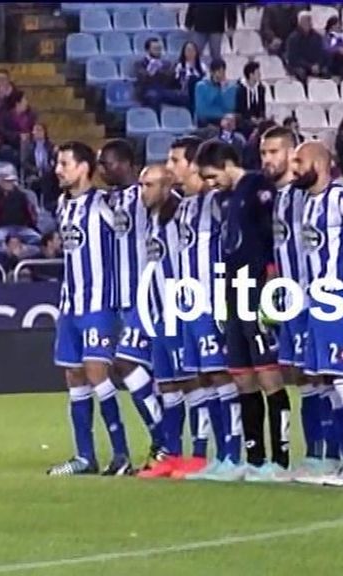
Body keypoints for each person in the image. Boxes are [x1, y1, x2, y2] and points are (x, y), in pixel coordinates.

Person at [194, 138, 293, 481]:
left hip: (258, 288)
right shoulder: (226, 198)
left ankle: (279, 460)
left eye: (211, 176)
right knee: (241, 375)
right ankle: (255, 456)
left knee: (268, 372)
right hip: (233, 290)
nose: (209, 184)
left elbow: (271, 236)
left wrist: (270, 283)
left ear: (226, 163)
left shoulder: (256, 187)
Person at [289, 140, 343, 486]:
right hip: (316, 303)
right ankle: (342, 461)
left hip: (341, 299)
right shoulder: (308, 203)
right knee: (327, 381)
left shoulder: (341, 197)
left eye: (300, 161)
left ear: (320, 164)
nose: (294, 168)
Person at [256, 126, 335, 481]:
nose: (267, 160)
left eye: (275, 152)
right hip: (289, 301)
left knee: (325, 376)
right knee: (302, 377)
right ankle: (316, 453)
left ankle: (333, 454)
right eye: (263, 154)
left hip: (314, 301)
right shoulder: (279, 197)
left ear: (293, 155)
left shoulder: (311, 194)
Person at [46, 141, 129, 477]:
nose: (58, 169)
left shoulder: (105, 204)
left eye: (64, 163)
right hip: (70, 304)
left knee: (97, 372)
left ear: (83, 168)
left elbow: (128, 241)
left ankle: (121, 453)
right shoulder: (63, 205)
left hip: (99, 303)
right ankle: (84, 456)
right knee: (74, 375)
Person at [98, 138, 171, 468]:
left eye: (108, 163)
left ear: (127, 164)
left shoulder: (146, 198)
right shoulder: (112, 200)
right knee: (143, 371)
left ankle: (163, 438)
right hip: (125, 300)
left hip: (147, 297)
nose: (104, 169)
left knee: (125, 363)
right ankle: (164, 441)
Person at [156, 136, 226, 479]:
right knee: (198, 379)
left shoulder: (216, 202)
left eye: (175, 160)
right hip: (187, 306)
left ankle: (229, 454)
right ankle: (200, 455)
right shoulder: (185, 207)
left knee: (221, 377)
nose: (170, 168)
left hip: (212, 303)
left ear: (195, 165)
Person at [134, 165, 191, 478]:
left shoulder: (181, 216)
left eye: (150, 185)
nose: (144, 191)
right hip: (157, 315)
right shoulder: (152, 219)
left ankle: (198, 454)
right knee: (166, 386)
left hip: (180, 311)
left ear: (168, 185)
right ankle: (172, 453)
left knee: (191, 384)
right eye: (142, 185)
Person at [134, 37, 189, 109]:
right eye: (155, 49)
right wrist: (151, 71)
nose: (158, 51)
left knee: (185, 97)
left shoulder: (166, 64)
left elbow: (171, 79)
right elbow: (142, 78)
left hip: (164, 90)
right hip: (148, 90)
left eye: (159, 48)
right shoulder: (140, 63)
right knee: (153, 96)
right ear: (148, 50)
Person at [21, 122, 59, 214]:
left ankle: (49, 207)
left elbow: (53, 162)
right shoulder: (28, 146)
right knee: (37, 181)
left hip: (48, 175)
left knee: (50, 180)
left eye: (39, 130)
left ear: (44, 132)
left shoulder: (50, 146)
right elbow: (25, 163)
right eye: (35, 130)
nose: (36, 132)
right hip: (33, 174)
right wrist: (36, 170)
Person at [193, 58, 238, 127]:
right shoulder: (201, 86)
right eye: (219, 72)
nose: (222, 75)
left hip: (222, 117)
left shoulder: (225, 86)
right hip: (206, 119)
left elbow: (228, 108)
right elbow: (201, 111)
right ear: (212, 72)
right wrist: (215, 88)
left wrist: (224, 90)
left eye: (223, 72)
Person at [285, 10, 327, 83]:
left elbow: (322, 53)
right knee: (301, 72)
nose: (308, 23)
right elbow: (293, 58)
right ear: (300, 23)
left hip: (315, 65)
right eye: (305, 21)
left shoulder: (317, 37)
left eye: (309, 20)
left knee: (327, 71)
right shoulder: (293, 38)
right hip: (299, 66)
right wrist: (309, 66)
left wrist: (318, 64)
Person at [0, 90, 36, 155]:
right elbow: (2, 131)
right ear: (17, 103)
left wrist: (30, 135)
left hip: (28, 144)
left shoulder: (31, 115)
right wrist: (18, 136)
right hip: (11, 145)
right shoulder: (6, 116)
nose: (26, 103)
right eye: (24, 100)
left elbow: (35, 129)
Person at [235, 61, 267, 132]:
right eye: (257, 73)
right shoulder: (240, 89)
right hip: (244, 119)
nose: (260, 75)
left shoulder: (261, 88)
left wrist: (261, 118)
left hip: (257, 118)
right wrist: (251, 118)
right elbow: (240, 108)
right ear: (251, 75)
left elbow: (262, 106)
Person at [174, 41, 206, 109]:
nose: (190, 52)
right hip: (186, 90)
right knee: (192, 79)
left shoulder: (202, 66)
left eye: (192, 50)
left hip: (200, 91)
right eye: (188, 50)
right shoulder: (180, 66)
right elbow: (178, 81)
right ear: (184, 52)